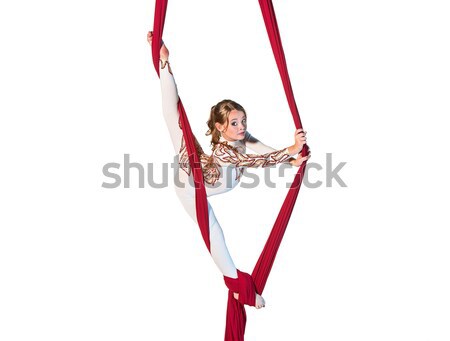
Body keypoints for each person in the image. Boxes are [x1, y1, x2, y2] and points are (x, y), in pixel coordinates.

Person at [147, 31, 309, 309]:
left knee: (175, 121)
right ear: (221, 128)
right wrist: (291, 150)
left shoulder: (240, 138)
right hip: (190, 184)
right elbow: (255, 162)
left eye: (242, 120)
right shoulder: (224, 150)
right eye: (235, 123)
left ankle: (164, 64)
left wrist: (288, 160)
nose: (242, 127)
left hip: (198, 167)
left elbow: (259, 148)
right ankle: (237, 288)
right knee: (214, 233)